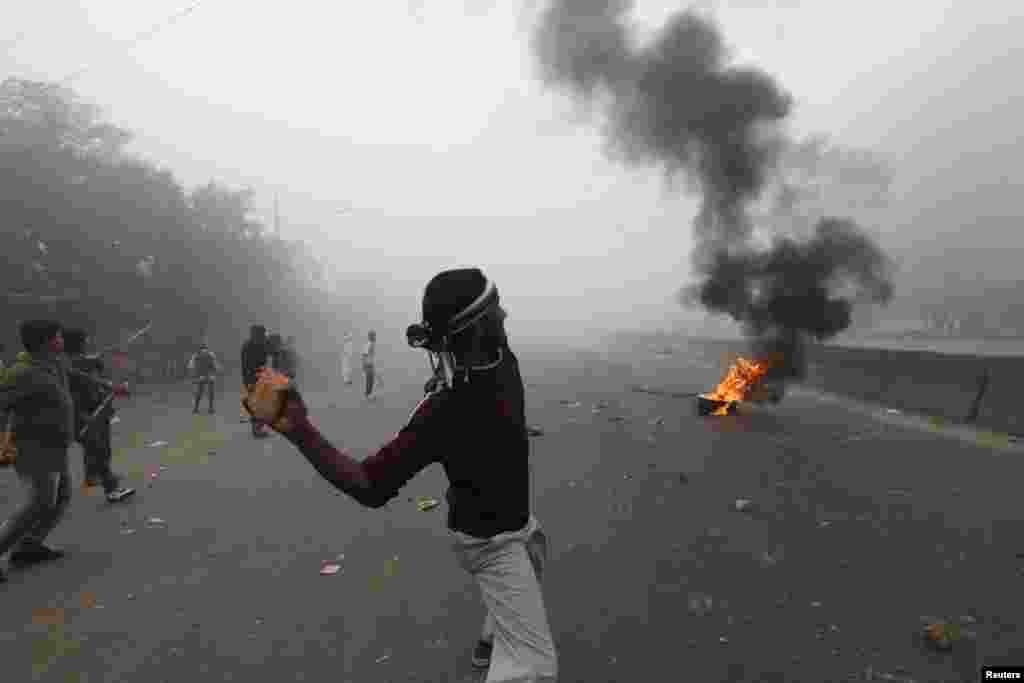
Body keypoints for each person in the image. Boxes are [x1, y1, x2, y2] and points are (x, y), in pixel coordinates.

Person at [244, 268, 557, 681]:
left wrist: (510, 430)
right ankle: (503, 654)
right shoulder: (444, 412)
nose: (505, 316)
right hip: (490, 542)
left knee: (533, 559)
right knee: (534, 668)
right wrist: (300, 430)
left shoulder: (501, 361)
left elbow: (494, 406)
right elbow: (369, 485)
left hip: (517, 524)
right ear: (475, 330)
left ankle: (489, 640)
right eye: (495, 310)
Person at [0, 320, 128, 582]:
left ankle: (29, 546)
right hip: (32, 447)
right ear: (46, 342)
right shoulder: (21, 373)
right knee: (39, 502)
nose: (62, 340)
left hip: (55, 445)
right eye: (58, 337)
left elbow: (77, 375)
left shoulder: (54, 363)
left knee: (60, 497)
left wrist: (109, 387)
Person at [63, 329, 135, 503]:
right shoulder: (77, 364)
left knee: (95, 448)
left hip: (89, 411)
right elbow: (86, 382)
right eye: (86, 340)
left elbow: (94, 379)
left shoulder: (71, 363)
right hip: (85, 413)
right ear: (80, 343)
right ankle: (110, 488)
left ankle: (95, 477)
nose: (89, 342)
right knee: (98, 449)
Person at [240, 325, 271, 437]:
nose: (264, 337)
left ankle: (258, 428)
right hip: (254, 379)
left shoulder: (251, 345)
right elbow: (256, 363)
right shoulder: (252, 346)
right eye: (263, 334)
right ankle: (257, 430)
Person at [187, 342, 221, 414]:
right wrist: (217, 370)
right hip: (209, 375)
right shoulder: (210, 354)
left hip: (200, 375)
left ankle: (196, 408)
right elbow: (215, 365)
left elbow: (190, 366)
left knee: (199, 392)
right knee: (210, 392)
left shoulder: (196, 355)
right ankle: (210, 408)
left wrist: (193, 375)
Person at [361, 330, 377, 400]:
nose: (375, 337)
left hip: (370, 364)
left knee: (371, 380)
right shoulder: (369, 344)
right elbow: (364, 355)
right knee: (369, 380)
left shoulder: (371, 344)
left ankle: (368, 394)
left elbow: (370, 355)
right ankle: (368, 395)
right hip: (368, 365)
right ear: (370, 337)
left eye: (374, 335)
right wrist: (364, 366)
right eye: (373, 336)